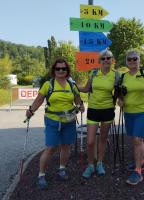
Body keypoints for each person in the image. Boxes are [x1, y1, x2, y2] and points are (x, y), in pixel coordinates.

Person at [26, 58, 84, 189]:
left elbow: (77, 99)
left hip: (69, 120)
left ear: (67, 70)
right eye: (58, 68)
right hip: (53, 120)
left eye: (63, 68)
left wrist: (81, 105)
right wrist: (31, 110)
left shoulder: (71, 84)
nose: (61, 71)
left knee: (66, 146)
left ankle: (62, 169)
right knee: (51, 147)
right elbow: (38, 100)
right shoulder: (48, 84)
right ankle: (41, 175)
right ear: (54, 70)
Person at [118, 50, 144, 185]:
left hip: (143, 111)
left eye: (134, 59)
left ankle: (138, 172)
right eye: (129, 59)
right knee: (136, 139)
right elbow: (119, 92)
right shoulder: (123, 77)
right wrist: (120, 100)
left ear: (139, 60)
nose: (132, 62)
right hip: (129, 112)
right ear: (126, 62)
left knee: (137, 139)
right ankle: (141, 163)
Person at [78, 49, 119, 178]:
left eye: (108, 58)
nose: (106, 60)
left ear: (112, 60)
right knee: (90, 141)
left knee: (102, 138)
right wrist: (72, 85)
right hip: (93, 110)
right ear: (99, 61)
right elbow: (86, 88)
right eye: (103, 58)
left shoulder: (116, 75)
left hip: (107, 110)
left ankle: (100, 163)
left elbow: (118, 92)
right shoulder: (94, 73)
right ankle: (90, 165)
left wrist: (119, 100)